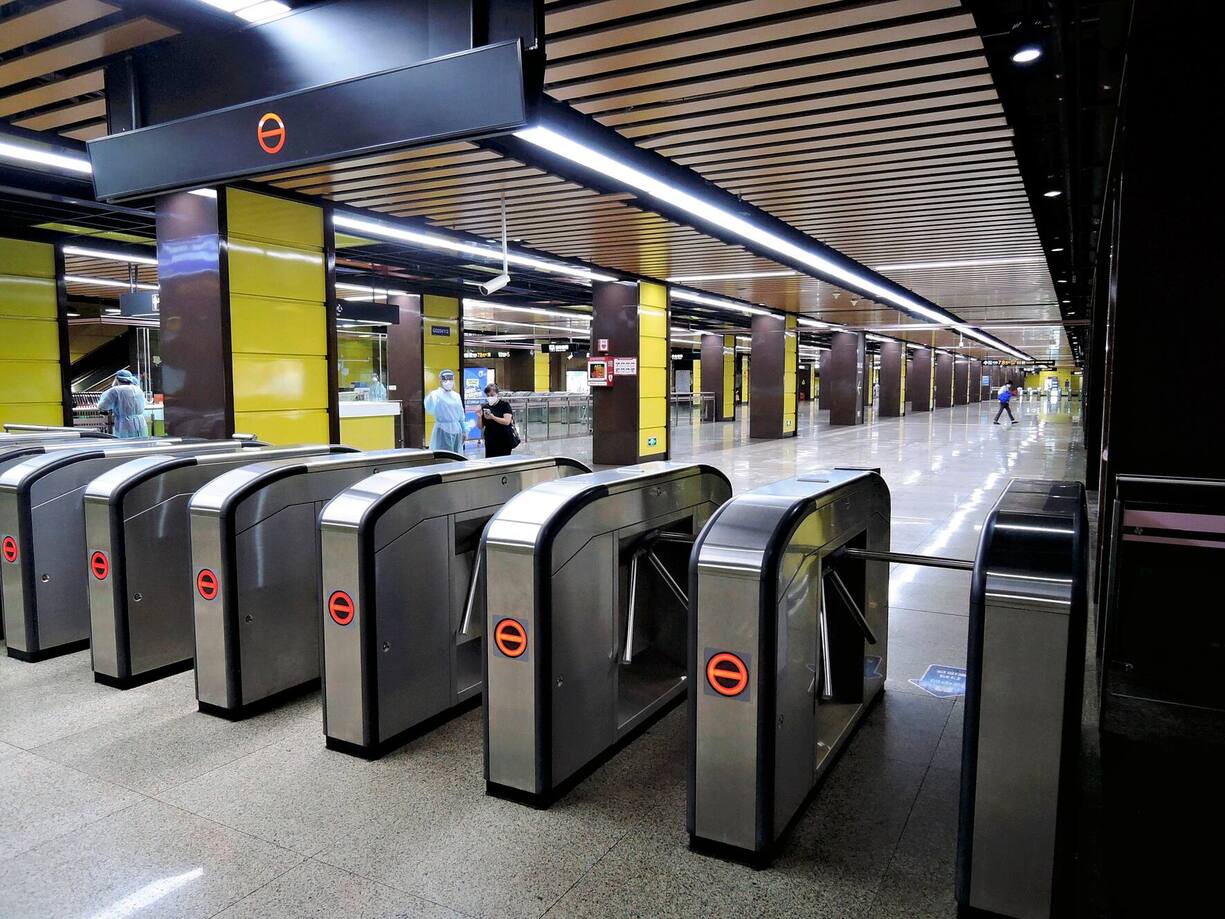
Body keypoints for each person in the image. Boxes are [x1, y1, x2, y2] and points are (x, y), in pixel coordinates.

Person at [423, 368, 465, 453]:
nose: (448, 381)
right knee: (444, 455)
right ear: (440, 381)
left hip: (457, 429)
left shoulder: (456, 396)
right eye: (445, 379)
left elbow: (461, 414)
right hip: (442, 429)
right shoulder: (436, 394)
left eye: (450, 379)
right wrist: (430, 397)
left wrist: (464, 430)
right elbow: (429, 407)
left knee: (456, 455)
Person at [97, 369, 148, 438]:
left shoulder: (115, 390)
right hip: (141, 422)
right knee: (140, 442)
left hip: (125, 424)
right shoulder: (138, 389)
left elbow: (103, 406)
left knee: (125, 443)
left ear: (117, 379)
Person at [478, 383, 515, 457]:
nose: (490, 397)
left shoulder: (504, 405)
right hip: (490, 439)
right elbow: (480, 426)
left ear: (497, 394)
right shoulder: (485, 407)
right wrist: (479, 417)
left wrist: (493, 417)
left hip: (504, 439)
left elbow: (507, 421)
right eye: (488, 396)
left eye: (492, 395)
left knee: (503, 459)